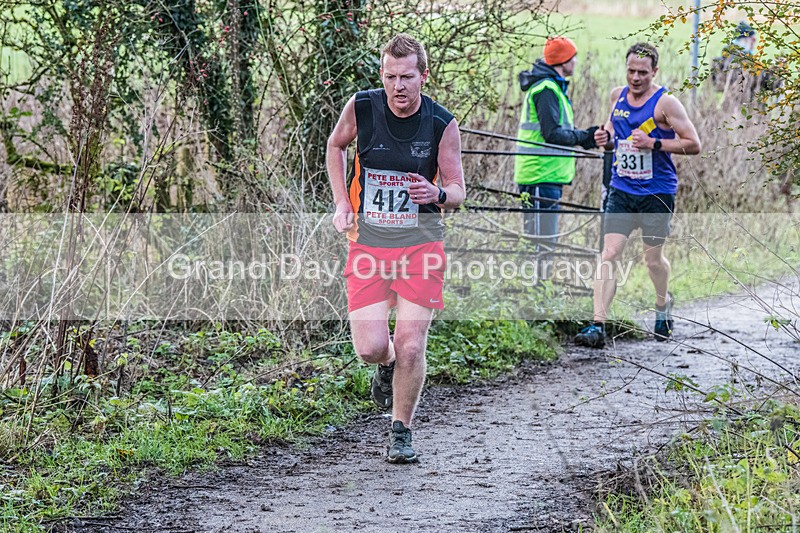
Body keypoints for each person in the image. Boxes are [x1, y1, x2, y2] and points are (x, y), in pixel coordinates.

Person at [326, 33, 465, 463]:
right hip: (369, 245)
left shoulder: (441, 123)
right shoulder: (362, 107)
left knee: (410, 344)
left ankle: (400, 431)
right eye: (390, 77)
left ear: (424, 76)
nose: (398, 86)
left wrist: (437, 194)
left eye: (407, 77)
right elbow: (336, 145)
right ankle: (386, 366)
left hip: (421, 245)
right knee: (370, 348)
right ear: (382, 75)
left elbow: (457, 189)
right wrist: (341, 202)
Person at [575, 42, 701, 349]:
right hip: (621, 189)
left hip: (656, 193)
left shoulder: (666, 103)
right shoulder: (617, 96)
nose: (635, 77)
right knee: (609, 254)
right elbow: (611, 135)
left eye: (642, 72)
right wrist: (604, 139)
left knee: (652, 260)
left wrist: (654, 143)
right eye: (631, 71)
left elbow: (693, 144)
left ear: (654, 71)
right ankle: (598, 325)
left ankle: (662, 303)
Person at [514, 36, 598, 257]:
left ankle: (539, 278)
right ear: (564, 61)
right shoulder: (547, 89)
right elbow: (552, 134)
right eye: (573, 57)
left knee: (544, 242)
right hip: (540, 174)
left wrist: (586, 138)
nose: (576, 62)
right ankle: (537, 279)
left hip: (546, 174)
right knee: (540, 244)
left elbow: (558, 130)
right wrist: (585, 136)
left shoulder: (551, 87)